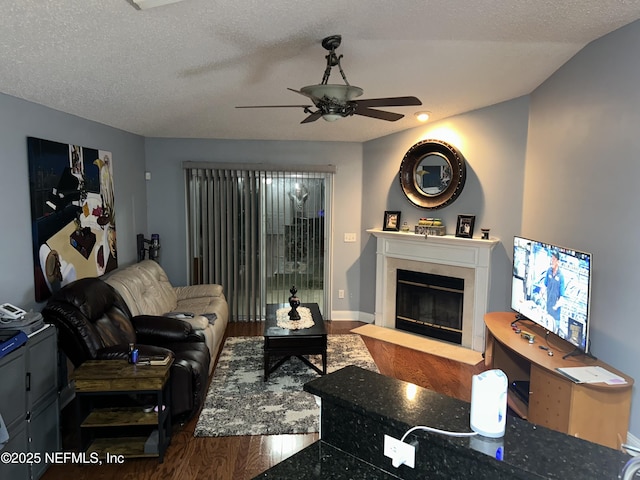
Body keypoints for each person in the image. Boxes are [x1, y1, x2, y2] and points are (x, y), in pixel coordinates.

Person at [544, 249, 565, 331]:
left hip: (555, 314)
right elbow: (544, 285)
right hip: (547, 309)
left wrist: (556, 306)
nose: (552, 260)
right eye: (551, 258)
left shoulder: (561, 276)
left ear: (558, 261)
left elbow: (562, 297)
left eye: (554, 259)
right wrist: (541, 291)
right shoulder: (549, 271)